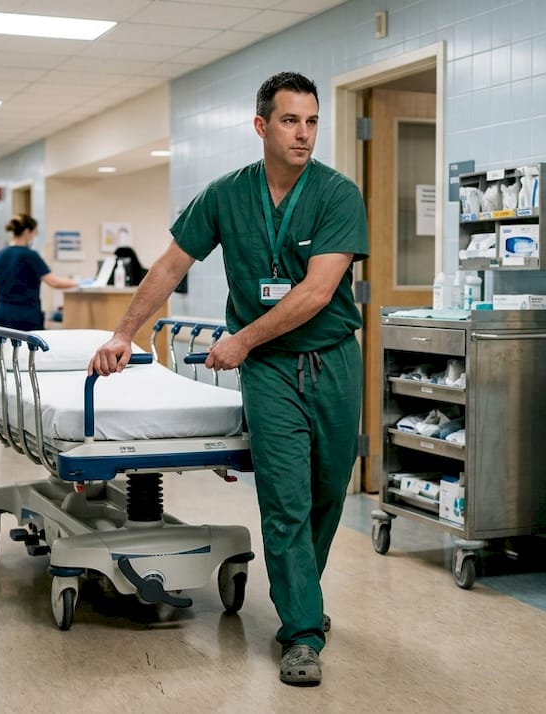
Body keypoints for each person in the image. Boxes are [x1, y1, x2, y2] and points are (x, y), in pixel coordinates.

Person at [89, 72, 368, 687]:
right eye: (291, 121)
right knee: (286, 500)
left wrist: (240, 339)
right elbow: (169, 265)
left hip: (332, 360)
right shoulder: (226, 195)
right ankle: (300, 632)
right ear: (262, 125)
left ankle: (304, 604)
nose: (304, 134)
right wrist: (124, 332)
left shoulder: (337, 195)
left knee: (327, 494)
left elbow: (320, 290)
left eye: (313, 121)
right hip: (270, 372)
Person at [0, 214, 82, 331]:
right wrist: (78, 282)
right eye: (35, 232)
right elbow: (54, 282)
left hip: (1, 315)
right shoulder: (30, 256)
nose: (35, 236)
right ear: (28, 231)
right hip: (25, 317)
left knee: (3, 349)